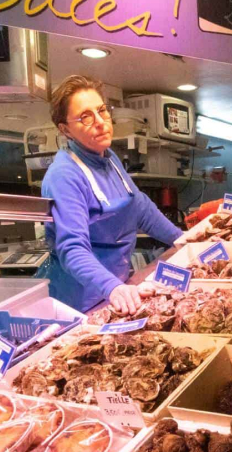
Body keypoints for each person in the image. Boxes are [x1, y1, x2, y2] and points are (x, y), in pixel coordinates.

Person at [40, 75, 182, 313]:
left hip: (116, 292)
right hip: (81, 302)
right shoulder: (64, 175)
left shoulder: (110, 158)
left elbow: (140, 208)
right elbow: (72, 249)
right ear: (65, 129)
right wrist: (112, 287)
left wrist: (181, 239)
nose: (100, 122)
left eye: (102, 111)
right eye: (85, 117)